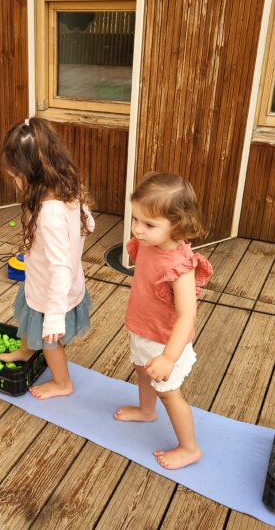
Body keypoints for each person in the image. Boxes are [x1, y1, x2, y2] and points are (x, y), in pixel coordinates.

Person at [115, 172, 213, 469]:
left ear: (177, 225)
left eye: (149, 224)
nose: (137, 229)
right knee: (142, 371)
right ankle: (147, 411)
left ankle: (189, 447)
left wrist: (169, 358)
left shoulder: (180, 266)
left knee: (170, 395)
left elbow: (186, 316)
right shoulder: (149, 244)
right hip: (144, 329)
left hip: (166, 342)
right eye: (135, 219)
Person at [0, 117, 95, 400]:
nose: (15, 182)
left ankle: (62, 383)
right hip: (40, 282)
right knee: (28, 314)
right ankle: (26, 350)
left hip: (54, 294)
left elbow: (61, 269)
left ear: (31, 175)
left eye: (15, 176)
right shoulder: (67, 190)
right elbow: (89, 224)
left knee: (49, 341)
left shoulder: (50, 214)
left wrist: (53, 318)